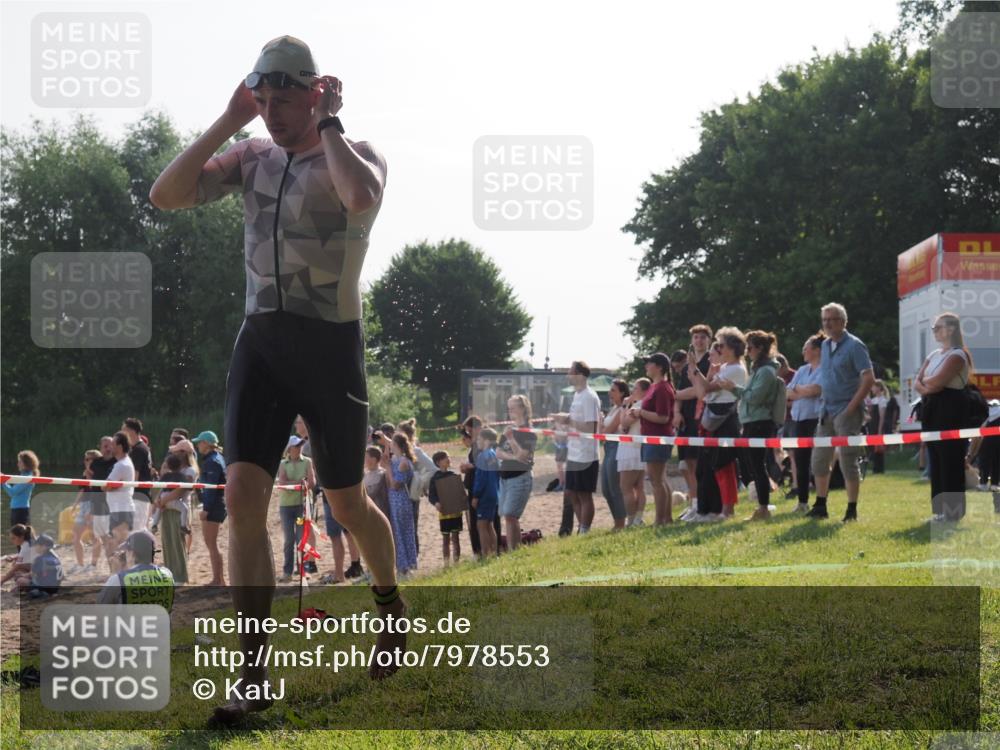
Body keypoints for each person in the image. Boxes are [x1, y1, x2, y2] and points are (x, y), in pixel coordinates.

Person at [150, 35, 400, 719]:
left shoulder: (355, 153)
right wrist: (228, 122)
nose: (272, 115)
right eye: (261, 102)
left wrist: (331, 124)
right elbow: (166, 195)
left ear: (316, 92)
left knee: (347, 503)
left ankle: (390, 603)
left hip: (329, 347)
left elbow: (359, 198)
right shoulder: (253, 156)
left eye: (282, 100)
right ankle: (253, 673)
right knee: (240, 497)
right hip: (260, 344)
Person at [806, 303, 875, 522]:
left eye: (832, 319)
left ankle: (851, 509)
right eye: (824, 319)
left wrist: (851, 408)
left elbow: (868, 378)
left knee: (847, 460)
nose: (827, 323)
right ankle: (820, 504)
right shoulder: (825, 345)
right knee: (818, 460)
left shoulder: (855, 346)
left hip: (847, 410)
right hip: (826, 410)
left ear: (843, 322)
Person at [915, 312, 974, 523]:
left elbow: (938, 382)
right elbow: (917, 382)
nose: (934, 331)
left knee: (950, 459)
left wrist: (928, 384)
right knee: (936, 458)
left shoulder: (958, 355)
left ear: (950, 329)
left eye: (937, 327)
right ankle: (939, 511)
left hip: (951, 409)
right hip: (932, 408)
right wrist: (928, 385)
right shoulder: (934, 355)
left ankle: (953, 513)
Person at [718, 330, 783, 521]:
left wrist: (733, 388)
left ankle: (763, 508)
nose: (747, 352)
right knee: (753, 466)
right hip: (751, 422)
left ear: (760, 348)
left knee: (757, 466)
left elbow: (754, 397)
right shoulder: (759, 369)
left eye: (750, 348)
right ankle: (762, 506)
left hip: (759, 423)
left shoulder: (766, 371)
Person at [687, 330, 747, 519]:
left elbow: (705, 387)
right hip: (712, 417)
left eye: (721, 345)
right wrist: (702, 373)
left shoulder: (736, 369)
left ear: (732, 347)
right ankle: (709, 509)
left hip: (725, 419)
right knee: (705, 467)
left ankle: (727, 510)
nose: (718, 349)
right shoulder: (724, 367)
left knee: (724, 465)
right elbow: (702, 393)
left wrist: (695, 369)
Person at [674, 325, 713, 521]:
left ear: (708, 340)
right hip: (685, 418)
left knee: (698, 463)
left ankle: (702, 504)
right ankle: (694, 502)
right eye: (696, 337)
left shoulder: (709, 362)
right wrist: (676, 412)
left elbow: (700, 391)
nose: (698, 341)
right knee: (686, 463)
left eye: (702, 338)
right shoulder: (687, 364)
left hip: (701, 415)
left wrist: (678, 394)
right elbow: (679, 393)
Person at [634, 352, 676, 525]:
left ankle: (661, 519)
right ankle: (666, 518)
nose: (646, 366)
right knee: (660, 479)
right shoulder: (655, 386)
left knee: (656, 480)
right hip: (652, 437)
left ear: (658, 367)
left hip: (658, 438)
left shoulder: (662, 388)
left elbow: (663, 417)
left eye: (649, 363)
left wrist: (640, 413)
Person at [785, 333, 824, 512]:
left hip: (817, 418)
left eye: (806, 347)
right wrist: (802, 390)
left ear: (816, 350)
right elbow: (787, 392)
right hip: (799, 420)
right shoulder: (801, 370)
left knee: (818, 461)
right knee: (801, 461)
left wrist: (798, 389)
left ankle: (821, 500)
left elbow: (816, 390)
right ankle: (802, 502)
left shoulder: (825, 369)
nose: (803, 351)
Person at [562, 361, 602, 534]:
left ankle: (584, 529)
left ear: (579, 374)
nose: (568, 375)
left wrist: (569, 421)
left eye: (570, 372)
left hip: (586, 455)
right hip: (574, 452)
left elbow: (591, 428)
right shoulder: (578, 395)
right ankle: (582, 528)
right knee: (572, 493)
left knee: (584, 494)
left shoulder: (589, 396)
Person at [496, 395, 538, 549]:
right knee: (507, 516)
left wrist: (511, 439)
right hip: (505, 477)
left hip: (520, 477)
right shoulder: (510, 428)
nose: (510, 411)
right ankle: (513, 549)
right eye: (508, 408)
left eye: (512, 408)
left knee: (510, 514)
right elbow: (498, 452)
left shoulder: (528, 432)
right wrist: (512, 456)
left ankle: (515, 549)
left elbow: (523, 457)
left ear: (522, 409)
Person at [98, 530, 175, 609]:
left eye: (126, 552)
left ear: (132, 554)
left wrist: (115, 574)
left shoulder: (118, 580)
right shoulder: (167, 575)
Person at [276, 435, 315, 582]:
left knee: (301, 538)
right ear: (289, 449)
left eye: (300, 445)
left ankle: (302, 569)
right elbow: (283, 483)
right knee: (289, 539)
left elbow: (311, 482)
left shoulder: (307, 462)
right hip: (286, 506)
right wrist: (299, 483)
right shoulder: (283, 464)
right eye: (296, 446)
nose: (299, 448)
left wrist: (294, 485)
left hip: (302, 505)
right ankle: (287, 571)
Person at [396, 419, 436, 557]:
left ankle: (414, 557)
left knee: (411, 527)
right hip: (399, 494)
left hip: (411, 494)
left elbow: (432, 469)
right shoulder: (397, 452)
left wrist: (419, 482)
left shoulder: (416, 451)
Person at [193, 430, 227, 585]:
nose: (198, 445)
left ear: (206, 444)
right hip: (217, 503)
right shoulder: (216, 458)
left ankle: (218, 579)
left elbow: (211, 487)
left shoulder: (212, 461)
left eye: (199, 442)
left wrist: (206, 508)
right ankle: (218, 578)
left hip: (214, 505)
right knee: (211, 543)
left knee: (211, 543)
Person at [381, 433, 418, 575]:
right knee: (399, 532)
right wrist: (384, 442)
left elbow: (395, 484)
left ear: (396, 445)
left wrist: (389, 468)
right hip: (394, 499)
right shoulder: (397, 459)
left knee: (401, 532)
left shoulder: (403, 462)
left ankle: (405, 567)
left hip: (400, 499)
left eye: (391, 444)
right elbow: (386, 459)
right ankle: (403, 566)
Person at [153, 453, 191, 584]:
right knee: (169, 544)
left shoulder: (166, 476)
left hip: (167, 502)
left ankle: (154, 524)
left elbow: (159, 489)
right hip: (173, 504)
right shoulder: (182, 476)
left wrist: (160, 501)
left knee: (175, 544)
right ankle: (182, 525)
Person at [618, 378, 650, 526]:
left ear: (643, 391)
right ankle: (638, 517)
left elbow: (623, 423)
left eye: (636, 389)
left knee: (626, 487)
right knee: (639, 487)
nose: (632, 392)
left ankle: (631, 519)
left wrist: (624, 406)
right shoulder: (645, 405)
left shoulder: (637, 405)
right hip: (639, 447)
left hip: (629, 448)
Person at [598, 381, 629, 530]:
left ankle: (620, 523)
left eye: (613, 390)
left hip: (616, 447)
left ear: (622, 393)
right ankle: (618, 520)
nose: (610, 393)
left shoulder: (621, 409)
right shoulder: (613, 409)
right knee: (605, 488)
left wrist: (601, 427)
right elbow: (601, 433)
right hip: (608, 448)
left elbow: (607, 431)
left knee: (614, 487)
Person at [106, 432, 137, 571]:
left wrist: (108, 487)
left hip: (121, 509)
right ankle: (120, 574)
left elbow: (105, 486)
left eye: (112, 444)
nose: (109, 448)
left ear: (120, 446)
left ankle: (120, 575)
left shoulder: (121, 465)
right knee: (119, 544)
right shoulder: (123, 463)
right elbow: (109, 486)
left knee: (118, 545)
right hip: (120, 508)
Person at [428, 451, 465, 566]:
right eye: (445, 458)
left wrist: (462, 501)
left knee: (456, 538)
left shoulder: (453, 476)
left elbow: (461, 493)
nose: (448, 459)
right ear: (438, 462)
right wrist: (436, 503)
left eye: (448, 457)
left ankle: (456, 563)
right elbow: (432, 496)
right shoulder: (435, 478)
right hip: (444, 513)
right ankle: (446, 564)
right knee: (445, 538)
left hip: (456, 513)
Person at [67, 449, 101, 575]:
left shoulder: (99, 474)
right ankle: (80, 563)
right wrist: (75, 505)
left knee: (94, 537)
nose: (86, 462)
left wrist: (90, 475)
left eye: (89, 459)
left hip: (95, 505)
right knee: (75, 536)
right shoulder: (84, 473)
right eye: (85, 459)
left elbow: (97, 493)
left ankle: (93, 564)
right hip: (84, 505)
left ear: (95, 461)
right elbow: (82, 490)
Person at [121, 418, 155, 531]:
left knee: (137, 531)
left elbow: (133, 477)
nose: (121, 433)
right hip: (142, 495)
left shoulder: (138, 450)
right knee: (139, 530)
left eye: (123, 430)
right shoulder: (140, 448)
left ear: (132, 431)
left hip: (138, 496)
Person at [471, 428, 501, 557]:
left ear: (486, 440)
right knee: (489, 524)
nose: (477, 441)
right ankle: (493, 552)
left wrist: (476, 495)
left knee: (481, 525)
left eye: (479, 439)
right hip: (494, 493)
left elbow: (481, 478)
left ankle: (486, 553)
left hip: (485, 494)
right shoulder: (494, 454)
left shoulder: (483, 456)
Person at [88, 437, 116, 571]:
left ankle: (114, 567)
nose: (108, 448)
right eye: (105, 446)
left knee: (109, 538)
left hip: (111, 504)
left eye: (110, 445)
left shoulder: (117, 462)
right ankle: (111, 567)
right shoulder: (96, 463)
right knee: (101, 537)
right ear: (100, 448)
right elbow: (91, 481)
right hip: (96, 503)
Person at [867, 380, 899, 475]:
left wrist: (880, 430)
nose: (872, 388)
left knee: (879, 449)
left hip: (878, 426)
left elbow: (882, 417)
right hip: (872, 426)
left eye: (874, 386)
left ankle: (879, 469)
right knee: (873, 448)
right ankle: (875, 468)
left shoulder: (883, 401)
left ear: (879, 388)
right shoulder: (873, 401)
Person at [3, 450, 39, 527]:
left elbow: (12, 492)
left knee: (19, 537)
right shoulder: (23, 476)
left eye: (20, 462)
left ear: (26, 464)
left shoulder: (28, 478)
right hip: (16, 510)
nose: (18, 464)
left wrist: (2, 481)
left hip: (21, 512)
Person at [24, 534, 62, 599]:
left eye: (36, 545)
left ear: (44, 547)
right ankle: (48, 593)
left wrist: (22, 575)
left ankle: (42, 593)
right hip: (56, 588)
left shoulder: (39, 559)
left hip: (46, 588)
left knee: (21, 581)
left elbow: (32, 575)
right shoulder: (56, 558)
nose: (34, 547)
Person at [1, 524, 34, 591]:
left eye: (13, 538)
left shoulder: (25, 547)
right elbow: (25, 555)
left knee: (17, 571)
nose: (12, 541)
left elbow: (16, 568)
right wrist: (14, 557)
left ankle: (32, 586)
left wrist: (2, 581)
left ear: (21, 537)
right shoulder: (28, 542)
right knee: (17, 565)